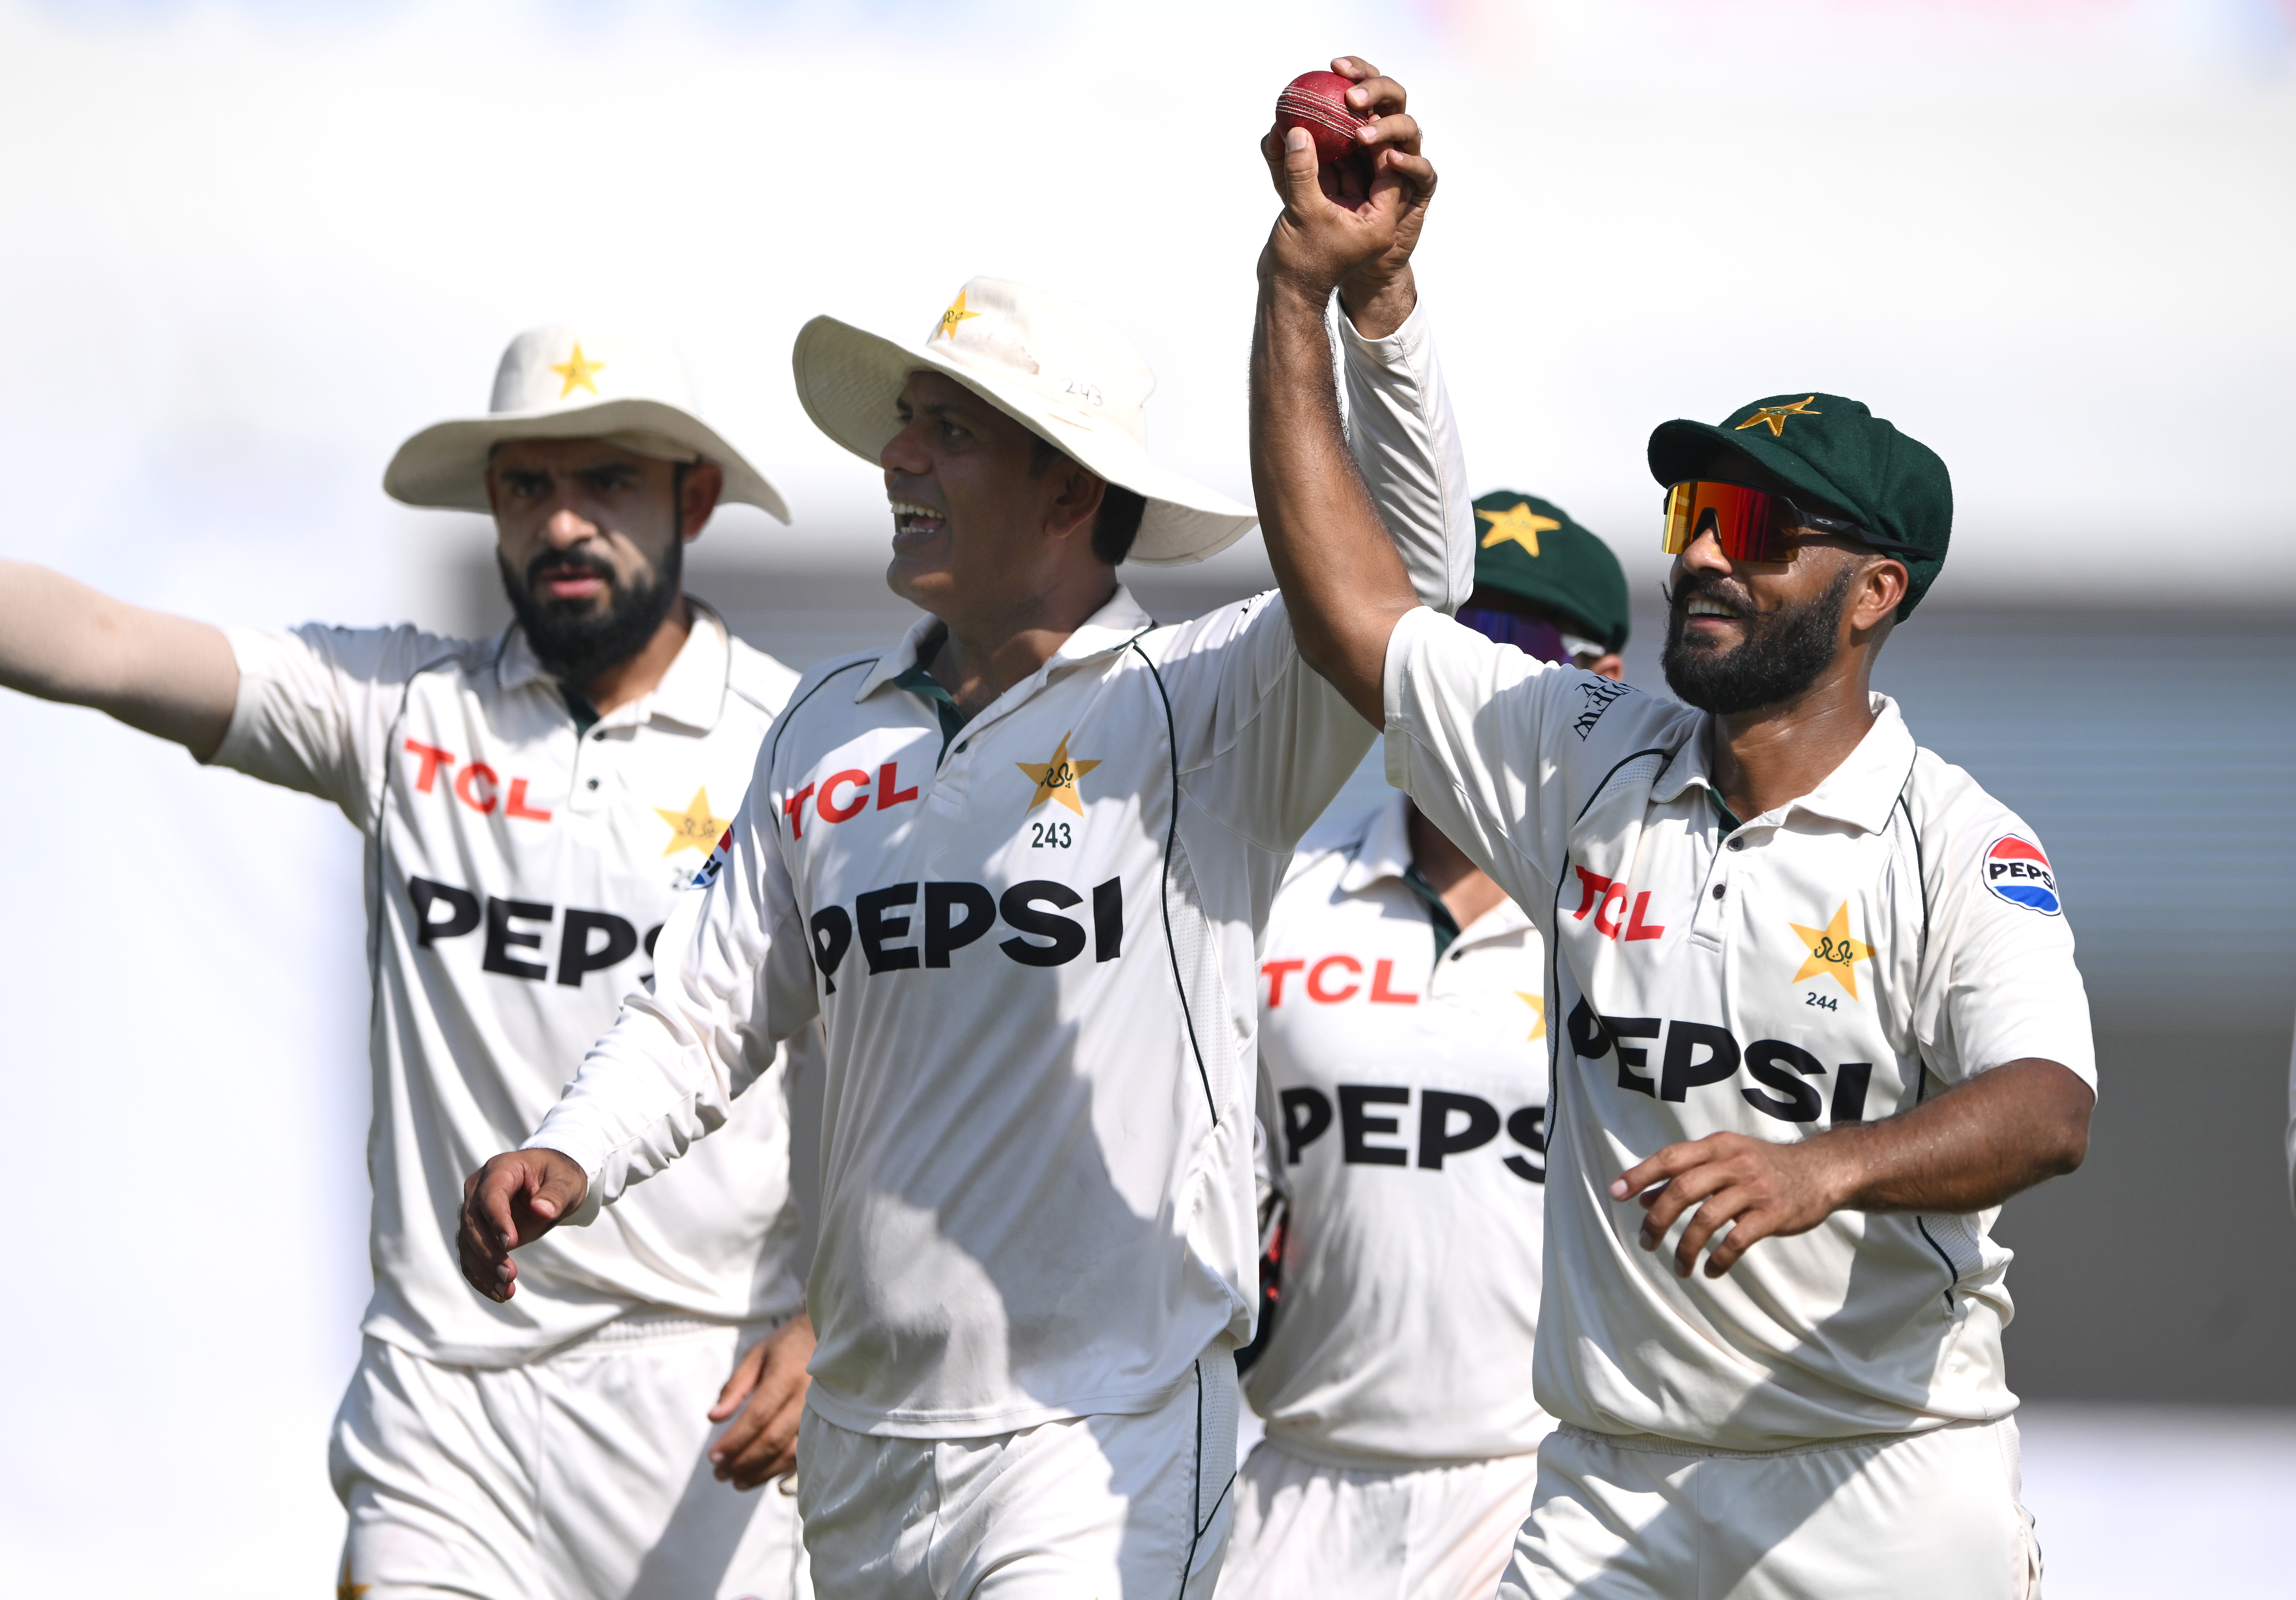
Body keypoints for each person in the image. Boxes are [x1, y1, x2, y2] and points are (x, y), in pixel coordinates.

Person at [455, 58, 1469, 1598]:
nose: (897, 459)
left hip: (1106, 1438)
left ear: (1068, 491)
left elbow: (1417, 588)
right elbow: (702, 1008)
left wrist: (1368, 304)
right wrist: (569, 1150)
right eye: (907, 425)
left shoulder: (1208, 702)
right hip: (863, 1447)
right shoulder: (827, 726)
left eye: (949, 431)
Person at [1247, 126, 2097, 1600]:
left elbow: (2048, 1106)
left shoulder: (1960, 841)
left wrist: (1826, 1166)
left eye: (1751, 527)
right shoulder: (1582, 752)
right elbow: (1348, 613)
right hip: (1603, 1486)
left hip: (1881, 1477)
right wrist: (1309, 291)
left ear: (1872, 591)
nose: (1701, 556)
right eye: (1692, 517)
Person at [0, 324, 822, 1600]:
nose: (562, 523)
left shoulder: (803, 751)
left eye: (606, 481)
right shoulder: (398, 708)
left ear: (694, 499)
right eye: (527, 486)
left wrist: (835, 1324)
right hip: (442, 1401)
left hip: (705, 1405)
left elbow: (911, 1079)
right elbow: (104, 642)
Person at [1220, 496, 1629, 1600]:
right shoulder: (1278, 895)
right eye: (1431, 644)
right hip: (1297, 1480)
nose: (1455, 689)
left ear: (1600, 681)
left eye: (1500, 653)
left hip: (1547, 1487)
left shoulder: (1640, 929)